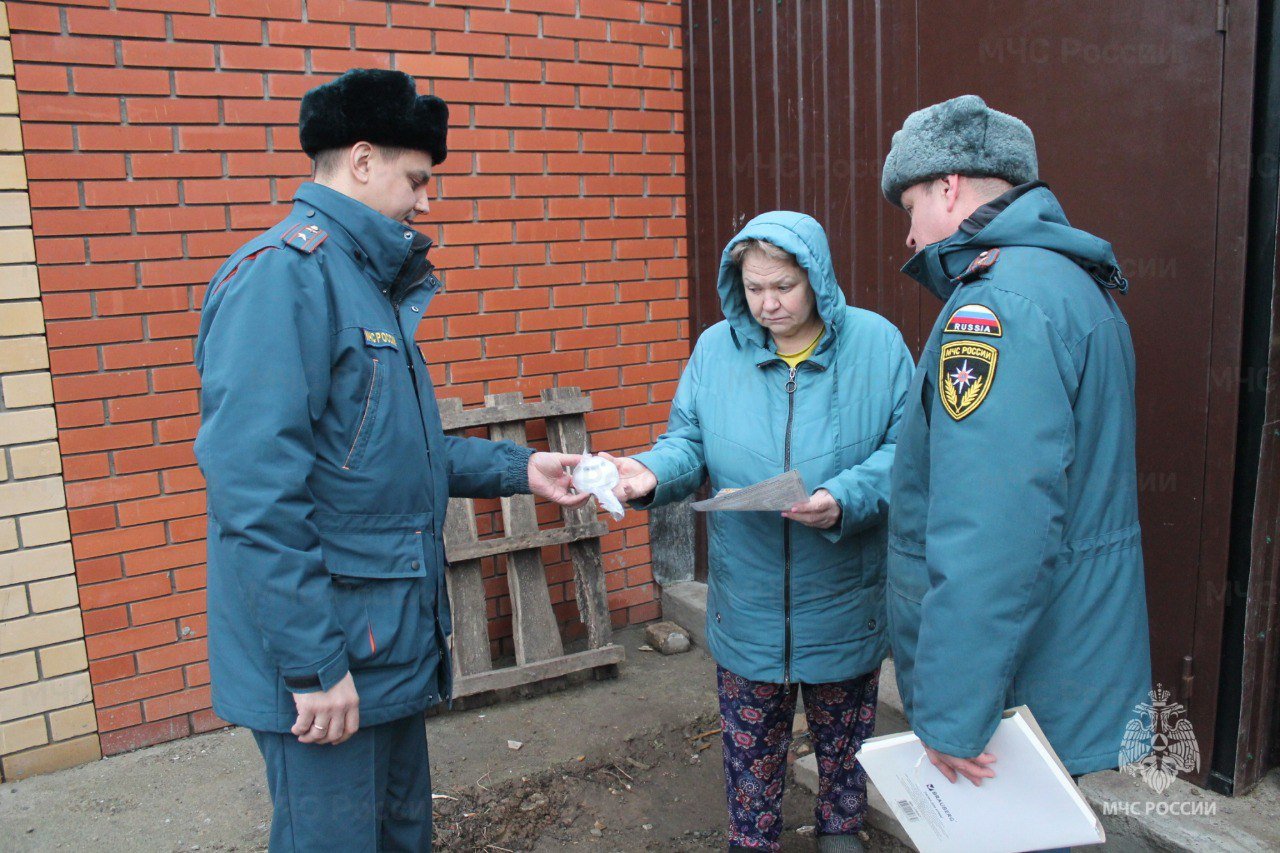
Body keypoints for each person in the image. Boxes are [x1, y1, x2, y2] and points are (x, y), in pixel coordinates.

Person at [193, 68, 587, 852]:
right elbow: (255, 496)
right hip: (333, 655)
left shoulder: (367, 284)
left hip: (386, 642)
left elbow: (395, 452)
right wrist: (313, 663)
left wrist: (522, 471)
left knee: (400, 833)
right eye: (418, 178)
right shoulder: (285, 279)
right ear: (363, 160)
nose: (426, 201)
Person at [606, 212, 914, 853]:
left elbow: (906, 450)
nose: (768, 304)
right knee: (749, 740)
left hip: (842, 589)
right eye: (753, 288)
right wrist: (647, 473)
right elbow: (685, 442)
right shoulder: (716, 350)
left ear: (819, 280)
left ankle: (839, 829)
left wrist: (843, 498)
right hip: (747, 595)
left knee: (844, 735)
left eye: (784, 286)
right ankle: (753, 839)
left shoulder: (878, 346)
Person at [878, 94, 1152, 803]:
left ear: (949, 186)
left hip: (1015, 685)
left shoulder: (994, 307)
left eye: (909, 207)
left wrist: (949, 713)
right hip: (1060, 656)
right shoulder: (1068, 281)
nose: (908, 236)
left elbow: (992, 532)